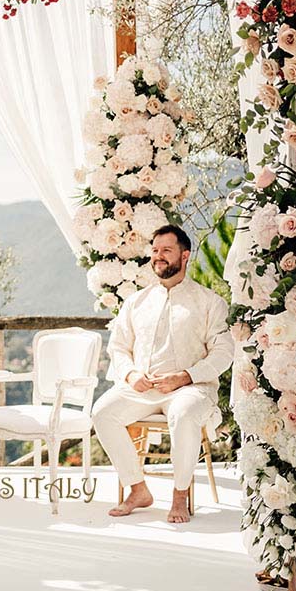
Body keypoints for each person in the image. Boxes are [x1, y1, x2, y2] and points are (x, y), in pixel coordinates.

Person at [92, 224, 233, 524]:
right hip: (142, 388)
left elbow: (224, 353)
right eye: (155, 250)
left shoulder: (209, 302)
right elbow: (117, 348)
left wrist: (184, 377)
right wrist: (130, 375)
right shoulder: (135, 302)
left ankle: (179, 496)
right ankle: (138, 489)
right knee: (102, 412)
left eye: (166, 250)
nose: (158, 257)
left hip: (190, 388)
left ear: (184, 256)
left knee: (182, 414)